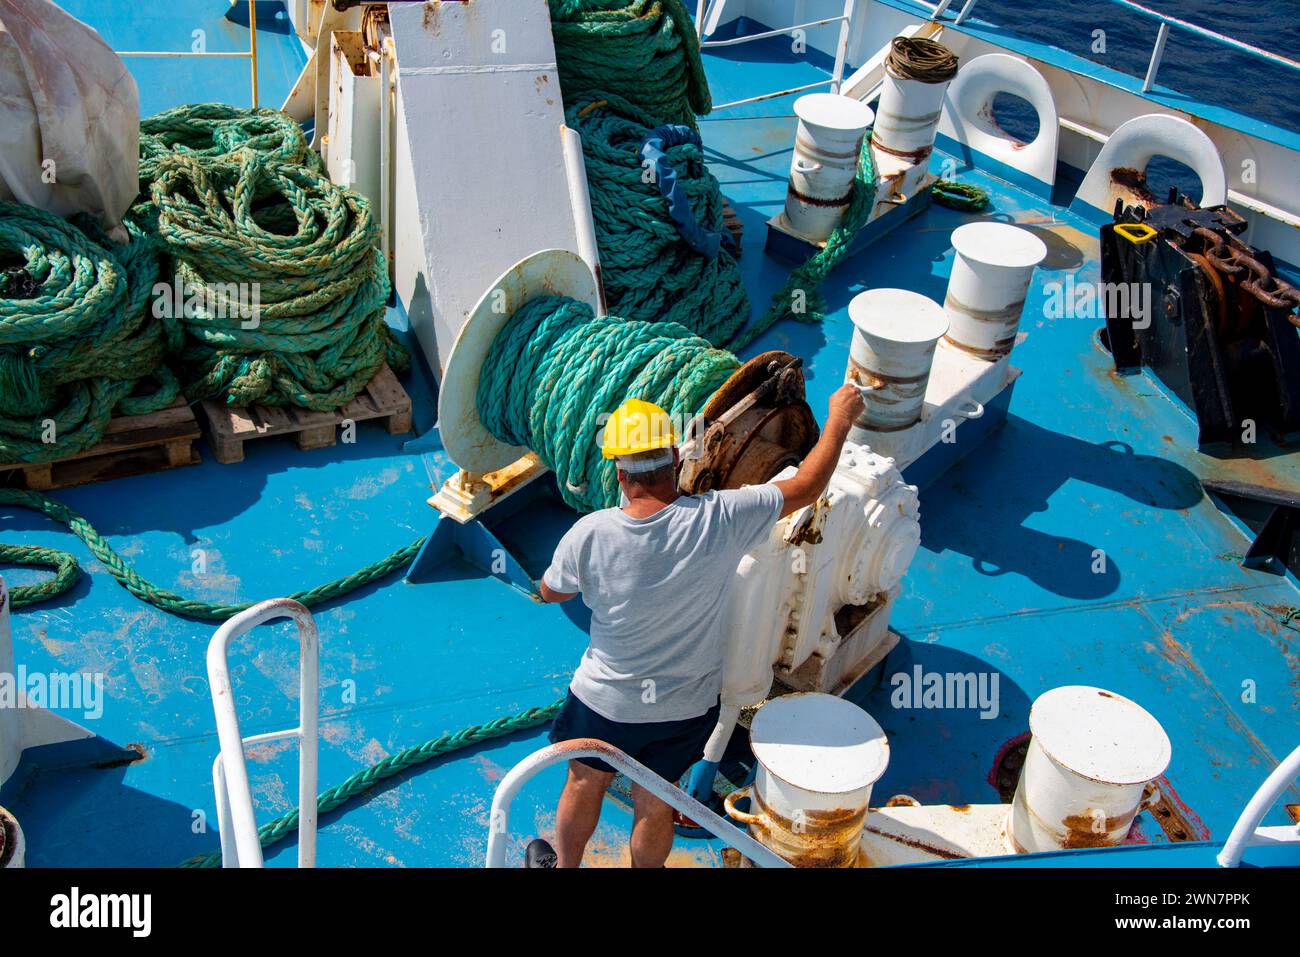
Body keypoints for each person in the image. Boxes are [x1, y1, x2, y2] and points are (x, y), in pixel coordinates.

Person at [526, 384, 865, 868]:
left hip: (606, 703)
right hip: (684, 708)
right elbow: (808, 486)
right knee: (656, 799)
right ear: (676, 462)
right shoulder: (723, 517)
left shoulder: (589, 534)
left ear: (620, 474)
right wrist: (839, 418)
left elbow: (550, 591)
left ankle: (565, 865)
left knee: (584, 782)